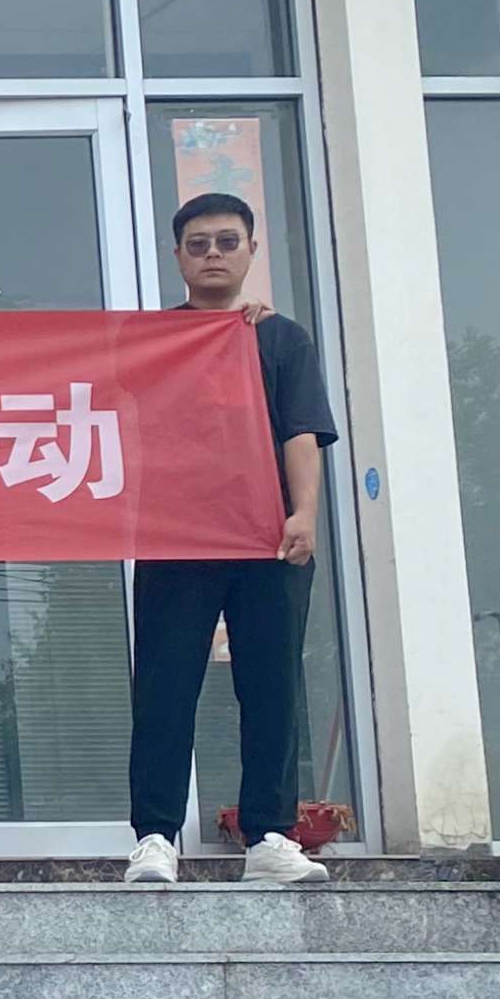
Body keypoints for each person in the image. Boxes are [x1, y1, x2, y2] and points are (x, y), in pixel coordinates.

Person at [129, 190, 340, 890]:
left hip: (267, 539)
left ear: (252, 249)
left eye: (226, 241)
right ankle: (155, 837)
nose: (213, 254)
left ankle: (270, 835)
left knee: (272, 686)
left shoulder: (281, 339)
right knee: (164, 687)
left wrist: (303, 513)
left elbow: (301, 432)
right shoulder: (152, 341)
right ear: (178, 256)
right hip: (176, 536)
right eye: (198, 244)